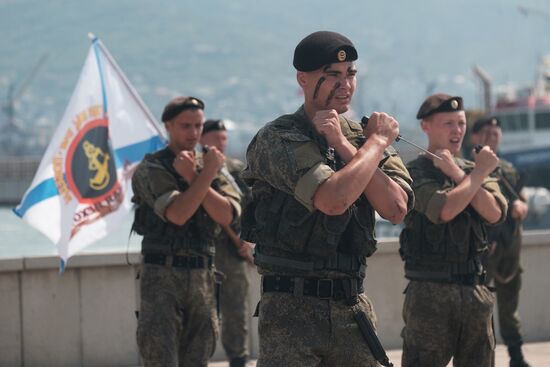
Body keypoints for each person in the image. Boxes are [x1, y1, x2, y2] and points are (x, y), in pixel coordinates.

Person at [241, 30, 414, 367]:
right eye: (331, 75)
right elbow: (332, 200)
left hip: (351, 307)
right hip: (291, 312)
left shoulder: (362, 137)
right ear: (303, 79)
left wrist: (348, 146)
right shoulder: (278, 138)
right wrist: (375, 145)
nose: (344, 84)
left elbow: (395, 208)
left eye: (350, 74)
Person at [399, 94, 508, 367]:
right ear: (426, 126)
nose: (457, 130)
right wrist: (477, 176)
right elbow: (443, 209)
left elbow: (494, 213)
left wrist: (464, 175)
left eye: (460, 123)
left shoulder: (475, 170)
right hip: (429, 292)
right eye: (448, 123)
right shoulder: (413, 172)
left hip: (475, 289)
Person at [131, 96, 241, 367]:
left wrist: (196, 176)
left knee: (198, 357)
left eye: (198, 126)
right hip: (162, 277)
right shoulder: (152, 169)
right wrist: (205, 177)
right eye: (185, 126)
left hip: (203, 274)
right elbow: (177, 215)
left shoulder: (212, 166)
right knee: (160, 356)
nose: (194, 133)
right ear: (168, 126)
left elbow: (226, 214)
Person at [471, 116, 531, 367]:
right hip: (482, 253)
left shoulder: (508, 168)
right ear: (475, 138)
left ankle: (516, 358)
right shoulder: (469, 167)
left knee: (509, 310)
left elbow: (522, 197)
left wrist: (522, 206)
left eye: (496, 134)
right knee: (481, 312)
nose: (493, 138)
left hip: (508, 252)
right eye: (487, 133)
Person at [200, 119, 253, 367]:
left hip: (234, 253)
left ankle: (238, 358)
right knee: (203, 314)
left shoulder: (235, 169)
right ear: (203, 139)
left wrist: (249, 241)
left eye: (224, 138)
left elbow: (250, 206)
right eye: (216, 138)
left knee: (236, 312)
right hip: (207, 250)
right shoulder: (194, 168)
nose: (221, 143)